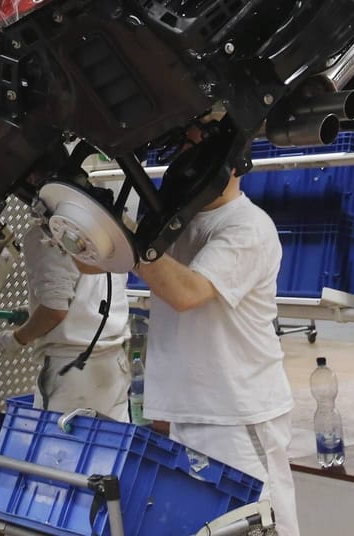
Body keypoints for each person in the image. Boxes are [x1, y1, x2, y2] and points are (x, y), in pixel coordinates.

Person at [134, 165, 299, 535]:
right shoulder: (174, 222)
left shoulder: (247, 226)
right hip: (190, 412)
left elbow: (186, 292)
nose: (187, 157)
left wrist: (128, 236)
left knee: (261, 528)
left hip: (239, 416)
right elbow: (96, 261)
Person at [7, 226, 131, 419]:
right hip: (114, 366)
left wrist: (17, 339)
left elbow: (54, 311)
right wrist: (33, 311)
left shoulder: (48, 234)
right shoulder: (109, 228)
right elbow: (88, 294)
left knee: (59, 447)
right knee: (112, 444)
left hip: (72, 372)